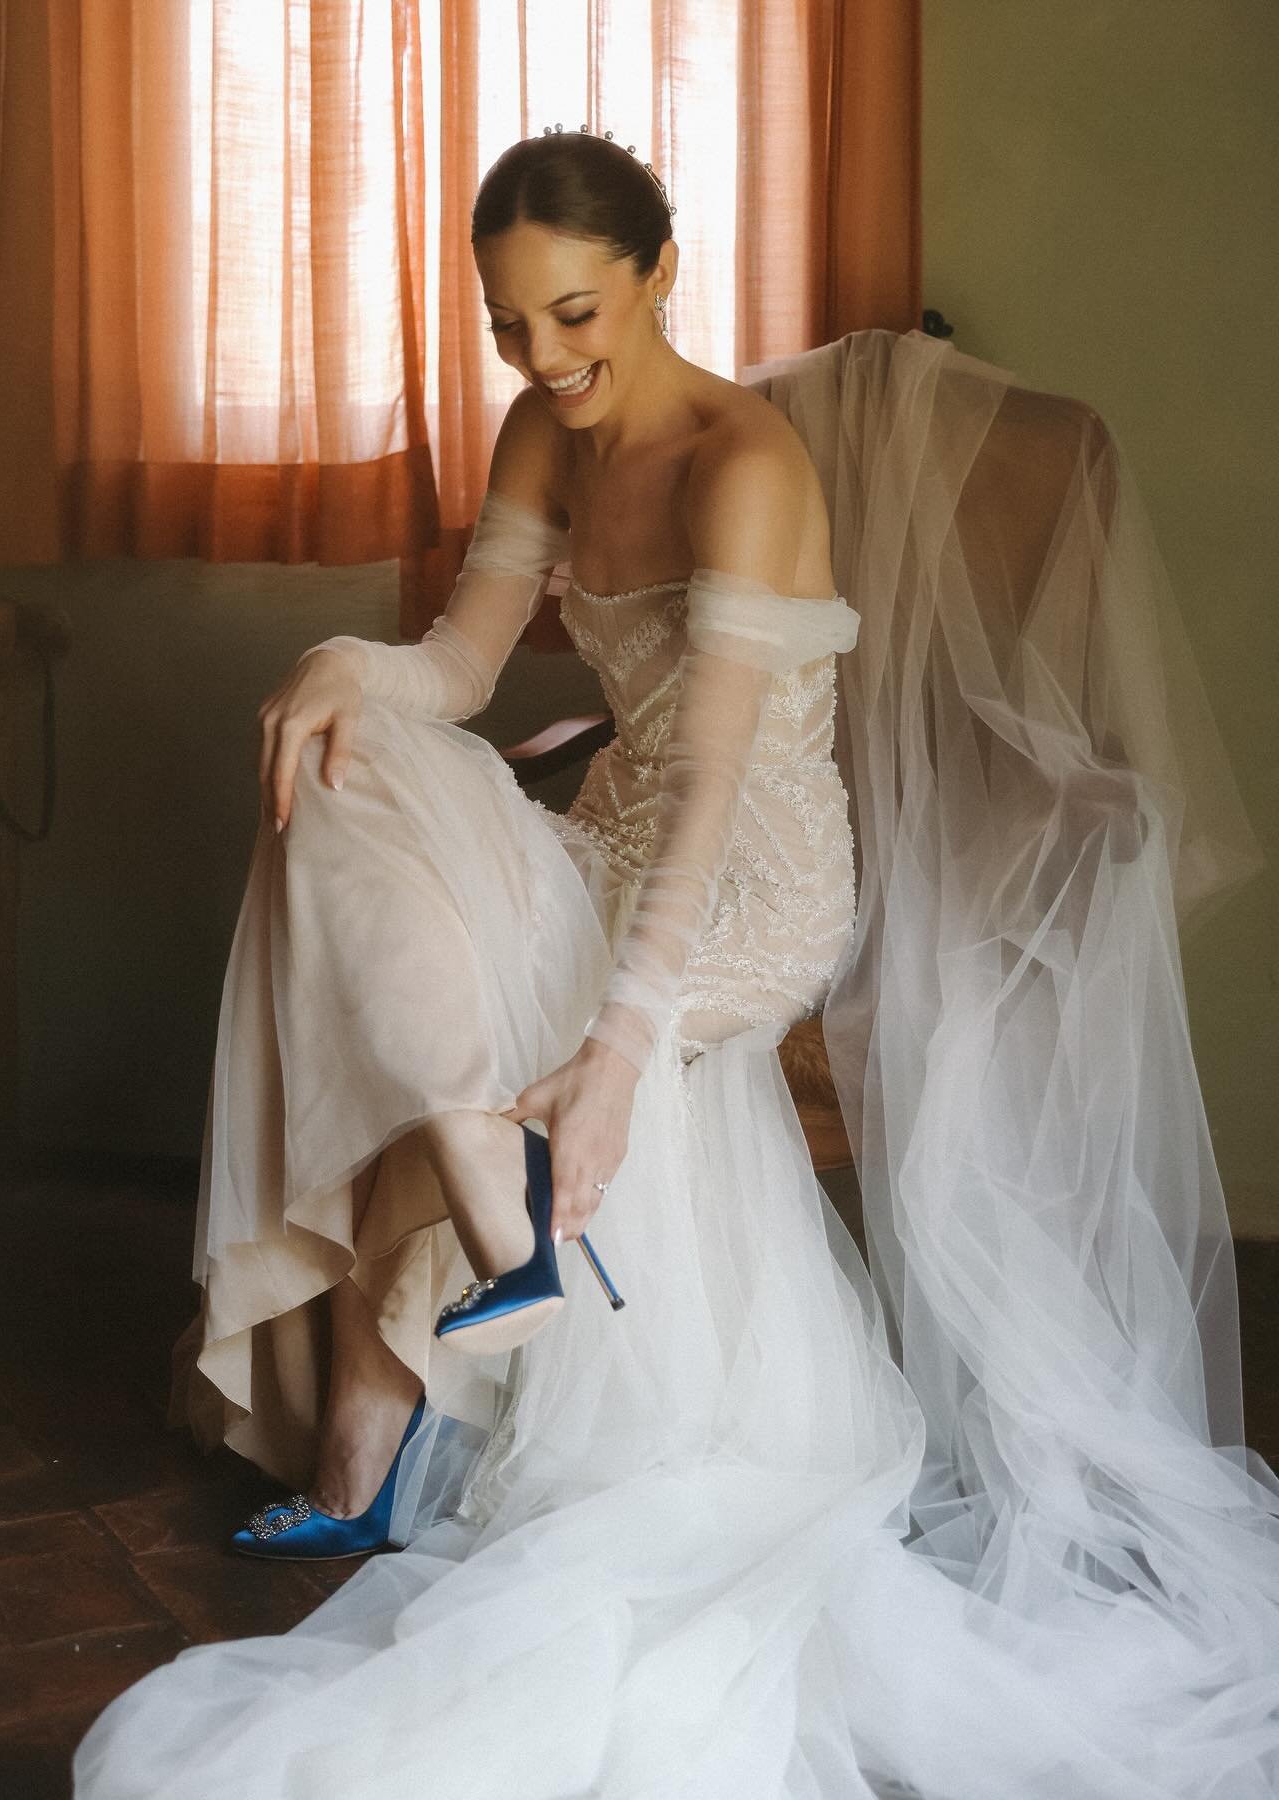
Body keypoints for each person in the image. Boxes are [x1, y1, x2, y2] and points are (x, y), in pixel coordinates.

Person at [75, 130, 1279, 1799]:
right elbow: (465, 663)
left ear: (657, 274)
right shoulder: (537, 434)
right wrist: (346, 658)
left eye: (574, 313)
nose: (546, 359)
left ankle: (376, 1386)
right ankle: (493, 1205)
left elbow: (716, 789)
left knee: (470, 976)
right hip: (611, 831)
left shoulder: (745, 465)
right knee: (348, 760)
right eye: (508, 327)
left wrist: (625, 1049)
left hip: (752, 884)